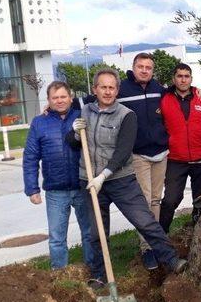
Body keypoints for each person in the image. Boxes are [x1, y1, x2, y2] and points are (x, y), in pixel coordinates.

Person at [69, 68, 186, 288]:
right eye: (103, 87)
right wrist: (75, 132)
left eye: (111, 87)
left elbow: (123, 152)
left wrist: (104, 175)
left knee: (145, 221)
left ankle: (171, 259)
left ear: (117, 90)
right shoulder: (85, 112)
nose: (107, 91)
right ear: (95, 89)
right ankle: (98, 275)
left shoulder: (126, 115)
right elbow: (74, 142)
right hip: (91, 182)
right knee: (96, 233)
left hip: (121, 180)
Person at [23, 81, 93, 270]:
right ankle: (59, 275)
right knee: (56, 237)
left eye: (63, 96)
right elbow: (30, 157)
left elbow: (99, 97)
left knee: (89, 233)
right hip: (55, 191)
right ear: (48, 100)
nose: (60, 101)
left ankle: (93, 271)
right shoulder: (40, 122)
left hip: (82, 186)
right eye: (55, 98)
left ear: (71, 98)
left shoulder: (82, 116)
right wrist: (32, 188)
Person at [158, 63, 201, 233]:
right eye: (180, 76)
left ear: (191, 79)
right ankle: (161, 237)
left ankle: (198, 235)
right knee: (170, 200)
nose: (183, 79)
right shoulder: (164, 99)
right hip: (175, 161)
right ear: (174, 79)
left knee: (200, 201)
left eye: (186, 76)